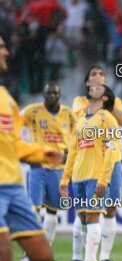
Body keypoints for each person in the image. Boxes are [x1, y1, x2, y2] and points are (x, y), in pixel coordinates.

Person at [0, 35, 62, 261]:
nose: (6, 50)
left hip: (12, 185)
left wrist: (41, 153)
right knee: (3, 255)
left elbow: (11, 145)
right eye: (0, 46)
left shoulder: (6, 99)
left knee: (41, 256)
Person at [70, 65, 122, 261]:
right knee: (84, 213)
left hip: (112, 161)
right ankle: (78, 257)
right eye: (93, 74)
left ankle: (104, 257)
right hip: (89, 163)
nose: (98, 77)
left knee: (111, 208)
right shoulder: (80, 101)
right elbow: (82, 117)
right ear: (87, 82)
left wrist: (108, 99)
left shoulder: (116, 102)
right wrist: (101, 100)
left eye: (101, 74)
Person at [60, 85, 118, 261]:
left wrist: (104, 179)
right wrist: (64, 179)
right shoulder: (79, 120)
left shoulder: (108, 119)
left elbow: (111, 150)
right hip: (78, 176)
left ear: (105, 98)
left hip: (95, 175)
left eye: (99, 87)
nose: (93, 87)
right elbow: (72, 152)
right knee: (83, 217)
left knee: (93, 216)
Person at [22, 82, 74, 245]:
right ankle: (30, 250)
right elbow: (14, 123)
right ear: (43, 95)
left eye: (55, 93)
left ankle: (46, 246)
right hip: (38, 167)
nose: (52, 96)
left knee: (53, 211)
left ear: (59, 95)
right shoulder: (32, 111)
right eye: (48, 93)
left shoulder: (68, 114)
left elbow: (79, 135)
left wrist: (68, 153)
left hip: (59, 169)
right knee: (34, 208)